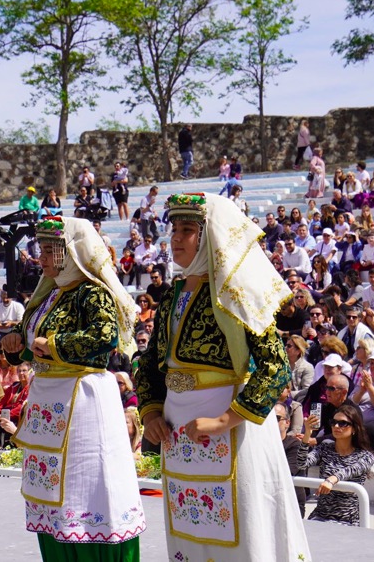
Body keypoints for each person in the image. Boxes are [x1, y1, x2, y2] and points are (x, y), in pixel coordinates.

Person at [136, 193, 310, 561]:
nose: (176, 238)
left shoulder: (238, 292)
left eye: (188, 230)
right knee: (190, 532)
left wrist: (223, 420)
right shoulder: (171, 296)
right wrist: (150, 413)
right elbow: (150, 362)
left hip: (235, 433)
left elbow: (275, 367)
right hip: (178, 433)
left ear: (211, 236)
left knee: (242, 533)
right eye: (174, 230)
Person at [0, 216, 146, 559]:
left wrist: (52, 344)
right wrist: (14, 345)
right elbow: (29, 345)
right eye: (42, 249)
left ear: (73, 252)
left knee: (83, 489)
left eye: (51, 250)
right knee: (51, 490)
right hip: (48, 399)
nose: (42, 257)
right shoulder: (48, 295)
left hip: (82, 400)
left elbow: (104, 337)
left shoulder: (92, 292)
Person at [301, 405, 374, 526]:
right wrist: (307, 436)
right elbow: (301, 464)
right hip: (320, 516)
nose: (336, 426)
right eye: (333, 422)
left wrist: (332, 479)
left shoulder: (366, 456)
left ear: (354, 429)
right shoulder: (325, 448)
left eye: (343, 423)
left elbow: (351, 470)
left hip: (349, 521)